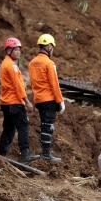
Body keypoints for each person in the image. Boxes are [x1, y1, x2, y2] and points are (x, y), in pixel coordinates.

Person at [0, 37, 40, 164]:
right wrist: (27, 101)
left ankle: (1, 154)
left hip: (6, 102)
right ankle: (25, 154)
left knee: (9, 129)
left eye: (19, 49)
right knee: (23, 127)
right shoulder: (11, 66)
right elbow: (18, 86)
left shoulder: (5, 63)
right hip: (15, 102)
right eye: (15, 49)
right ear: (8, 50)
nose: (18, 52)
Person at [28, 34, 65, 162]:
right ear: (49, 47)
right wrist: (60, 100)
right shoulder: (49, 63)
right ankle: (45, 154)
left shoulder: (32, 63)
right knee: (48, 126)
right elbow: (54, 84)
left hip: (38, 99)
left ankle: (45, 153)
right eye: (52, 47)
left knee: (44, 124)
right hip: (49, 99)